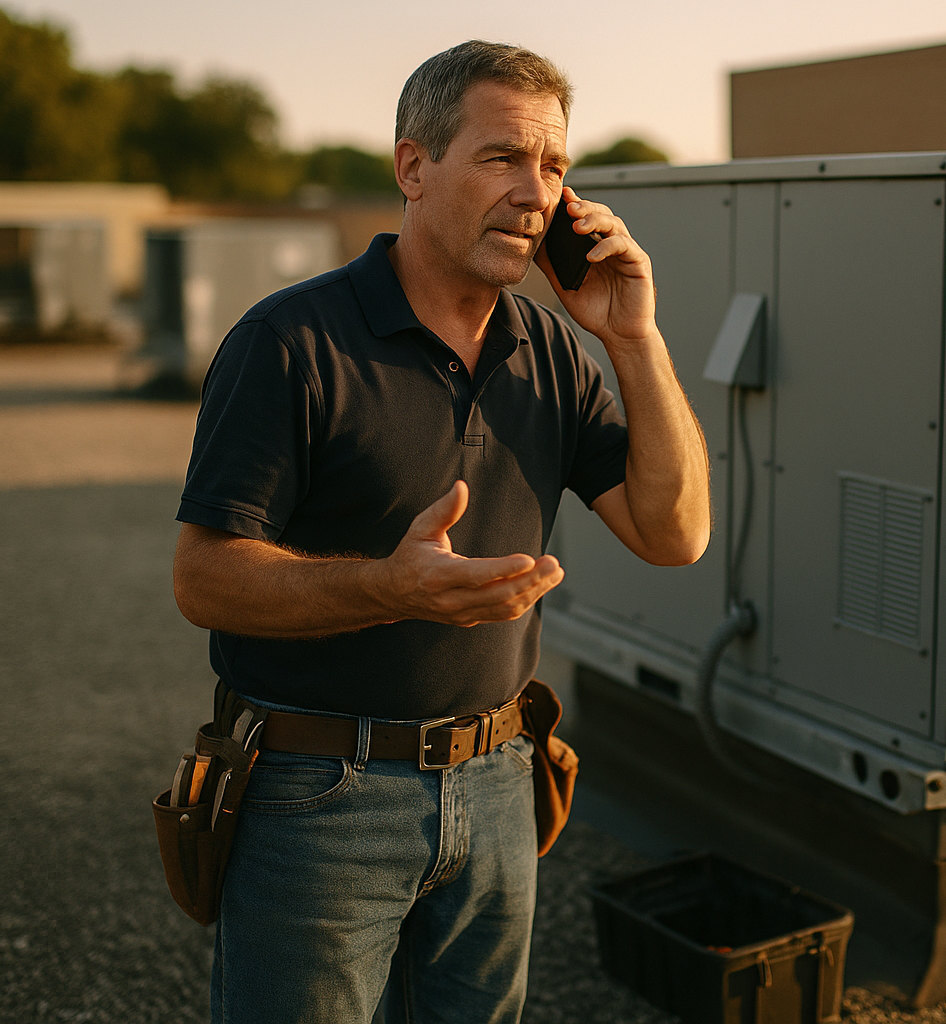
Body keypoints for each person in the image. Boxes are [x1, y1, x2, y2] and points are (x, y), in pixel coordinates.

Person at [171, 39, 710, 1024]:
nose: (536, 191)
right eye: (503, 157)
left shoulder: (553, 349)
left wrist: (634, 337)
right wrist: (391, 586)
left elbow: (674, 533)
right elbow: (204, 579)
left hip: (502, 783)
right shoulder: (288, 343)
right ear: (413, 168)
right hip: (316, 796)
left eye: (554, 166)